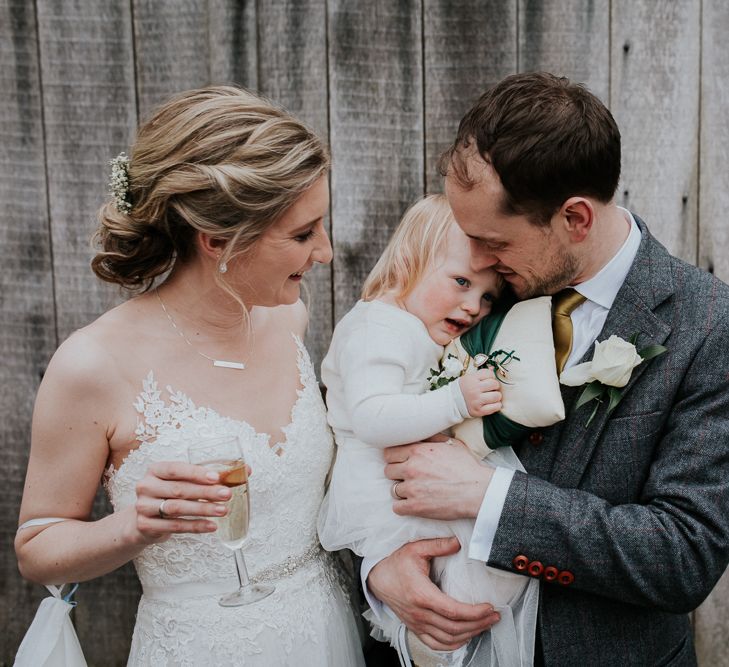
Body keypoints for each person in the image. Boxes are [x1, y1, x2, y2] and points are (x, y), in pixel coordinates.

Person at [366, 71, 729, 666]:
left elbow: (682, 556)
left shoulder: (709, 325)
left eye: (495, 241)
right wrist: (380, 570)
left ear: (575, 219)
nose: (476, 261)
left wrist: (492, 499)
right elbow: (371, 426)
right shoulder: (472, 291)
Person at [15, 86, 365, 666]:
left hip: (326, 632)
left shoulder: (289, 319)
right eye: (303, 234)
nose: (325, 252)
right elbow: (37, 547)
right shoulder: (92, 366)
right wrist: (133, 527)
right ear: (218, 241)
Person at [318, 195, 564, 666]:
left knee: (487, 571)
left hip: (410, 483)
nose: (473, 306)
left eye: (488, 296)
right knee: (458, 572)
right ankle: (427, 645)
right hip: (383, 492)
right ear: (410, 261)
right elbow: (373, 417)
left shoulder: (415, 326)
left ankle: (440, 641)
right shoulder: (378, 327)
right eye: (461, 282)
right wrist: (456, 400)